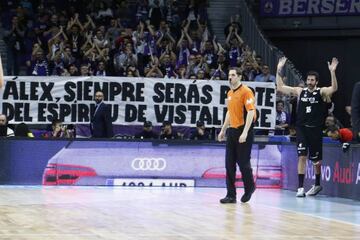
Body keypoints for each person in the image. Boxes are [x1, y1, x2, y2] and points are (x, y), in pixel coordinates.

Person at [276, 56, 339, 197]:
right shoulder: (300, 91)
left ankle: (317, 184)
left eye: (312, 80)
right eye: (308, 80)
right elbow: (280, 87)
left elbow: (334, 88)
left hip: (315, 130)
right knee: (302, 157)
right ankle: (300, 188)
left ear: (316, 82)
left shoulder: (321, 92)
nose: (309, 82)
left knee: (317, 161)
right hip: (302, 129)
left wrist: (332, 72)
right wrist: (278, 69)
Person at [218, 67, 256, 204]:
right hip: (232, 131)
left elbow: (251, 112)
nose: (230, 77)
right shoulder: (229, 93)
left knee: (244, 164)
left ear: (239, 76)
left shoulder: (246, 91)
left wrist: (245, 132)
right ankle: (231, 195)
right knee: (229, 164)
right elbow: (229, 112)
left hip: (243, 129)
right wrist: (223, 130)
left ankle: (250, 187)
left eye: (233, 75)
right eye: (229, 75)